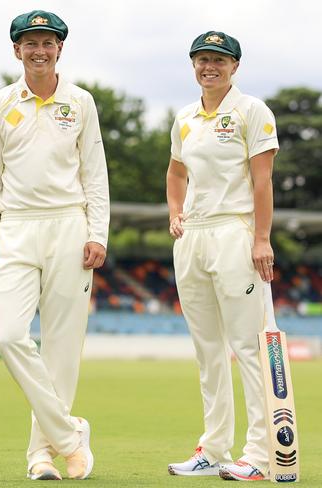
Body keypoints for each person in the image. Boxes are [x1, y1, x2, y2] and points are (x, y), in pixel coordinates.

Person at [0, 10, 109, 481]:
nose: (39, 50)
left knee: (62, 350)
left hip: (70, 226)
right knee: (8, 336)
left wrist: (97, 232)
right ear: (16, 50)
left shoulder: (81, 102)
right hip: (16, 228)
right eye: (30, 43)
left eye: (48, 42)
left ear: (59, 49)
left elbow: (95, 172)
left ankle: (41, 454)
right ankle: (70, 436)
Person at [166, 31, 279, 481]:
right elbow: (176, 171)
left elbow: (263, 181)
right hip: (193, 236)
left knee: (248, 347)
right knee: (208, 349)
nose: (209, 66)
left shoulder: (251, 111)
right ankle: (214, 448)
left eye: (218, 59)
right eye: (202, 59)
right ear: (193, 64)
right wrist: (176, 212)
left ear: (234, 66)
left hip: (235, 231)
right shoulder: (184, 118)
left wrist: (262, 238)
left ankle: (261, 454)